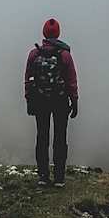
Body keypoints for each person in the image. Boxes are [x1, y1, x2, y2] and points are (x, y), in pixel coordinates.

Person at [24, 17, 78, 187]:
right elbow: (71, 81)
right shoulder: (65, 55)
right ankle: (59, 178)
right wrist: (74, 101)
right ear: (58, 33)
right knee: (60, 139)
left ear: (44, 33)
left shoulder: (34, 54)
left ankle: (43, 176)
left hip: (40, 101)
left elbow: (28, 79)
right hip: (60, 101)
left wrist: (29, 100)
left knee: (42, 137)